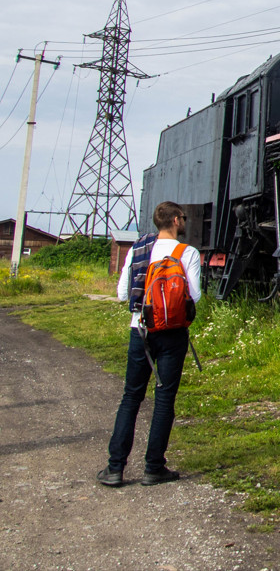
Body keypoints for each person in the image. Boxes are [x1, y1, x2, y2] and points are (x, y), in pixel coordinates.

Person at [97, 201, 202, 487]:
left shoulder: (138, 249)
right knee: (164, 399)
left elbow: (122, 293)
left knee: (131, 397)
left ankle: (115, 468)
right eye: (182, 218)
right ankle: (154, 468)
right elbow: (194, 295)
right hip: (173, 334)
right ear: (177, 221)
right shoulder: (187, 253)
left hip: (140, 330)